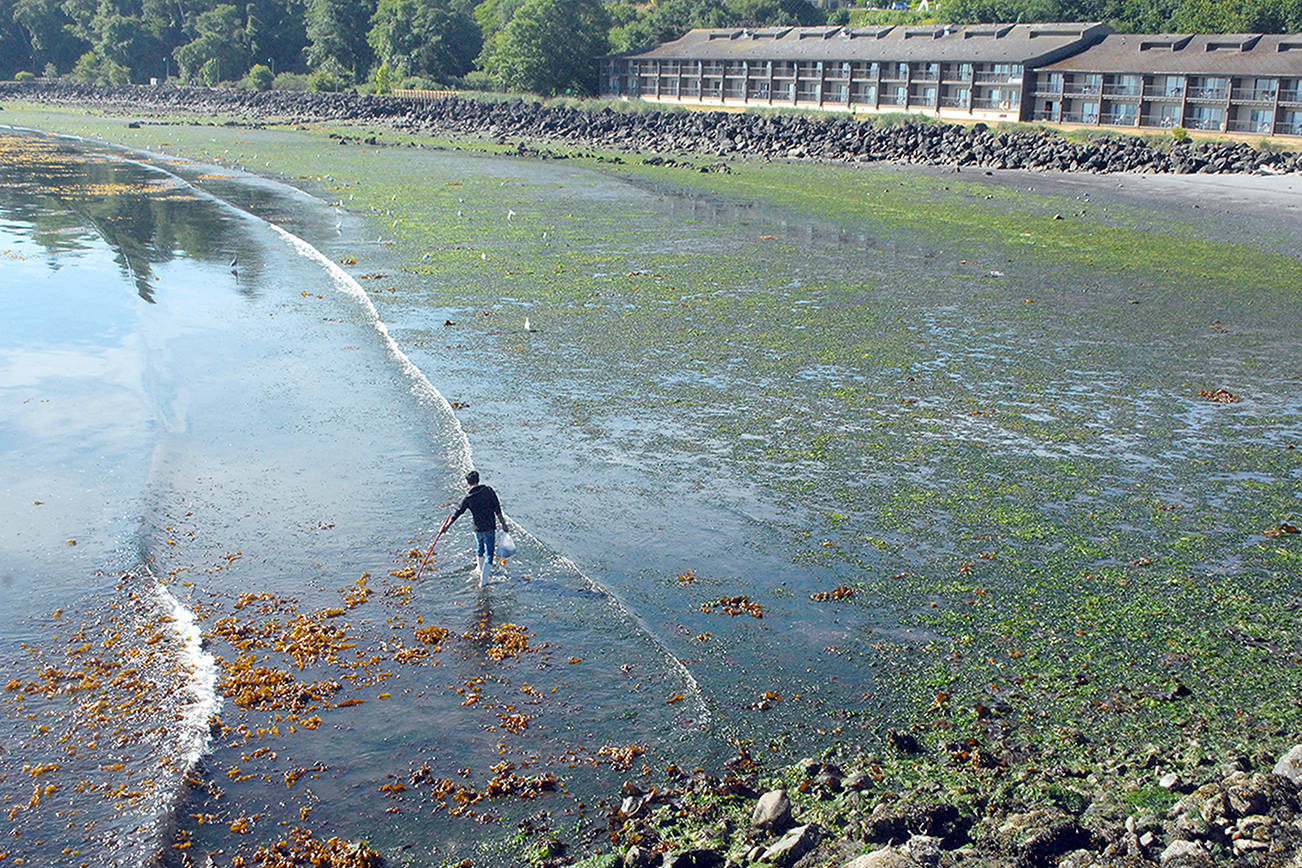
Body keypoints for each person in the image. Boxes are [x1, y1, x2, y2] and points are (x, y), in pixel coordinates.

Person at [447, 470, 509, 586]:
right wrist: (504, 524)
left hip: (477, 529)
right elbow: (498, 509)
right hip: (489, 527)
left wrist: (446, 527)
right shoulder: (489, 491)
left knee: (480, 549)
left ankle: (479, 570)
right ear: (478, 479)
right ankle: (484, 581)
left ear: (467, 483)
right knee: (489, 554)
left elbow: (457, 513)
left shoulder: (468, 497)